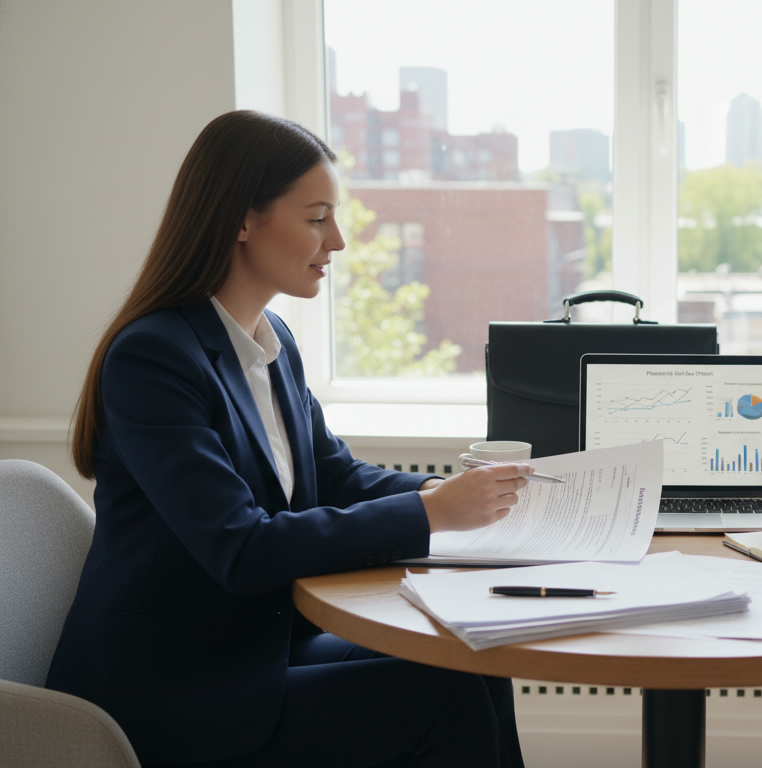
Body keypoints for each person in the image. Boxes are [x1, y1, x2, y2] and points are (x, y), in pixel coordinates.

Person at [47, 110, 531, 767]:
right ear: (243, 220)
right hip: (167, 688)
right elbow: (240, 547)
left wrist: (449, 495)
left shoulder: (274, 345)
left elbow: (335, 478)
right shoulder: (154, 358)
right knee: (440, 697)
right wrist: (429, 514)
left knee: (472, 656)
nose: (336, 241)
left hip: (254, 647)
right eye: (315, 217)